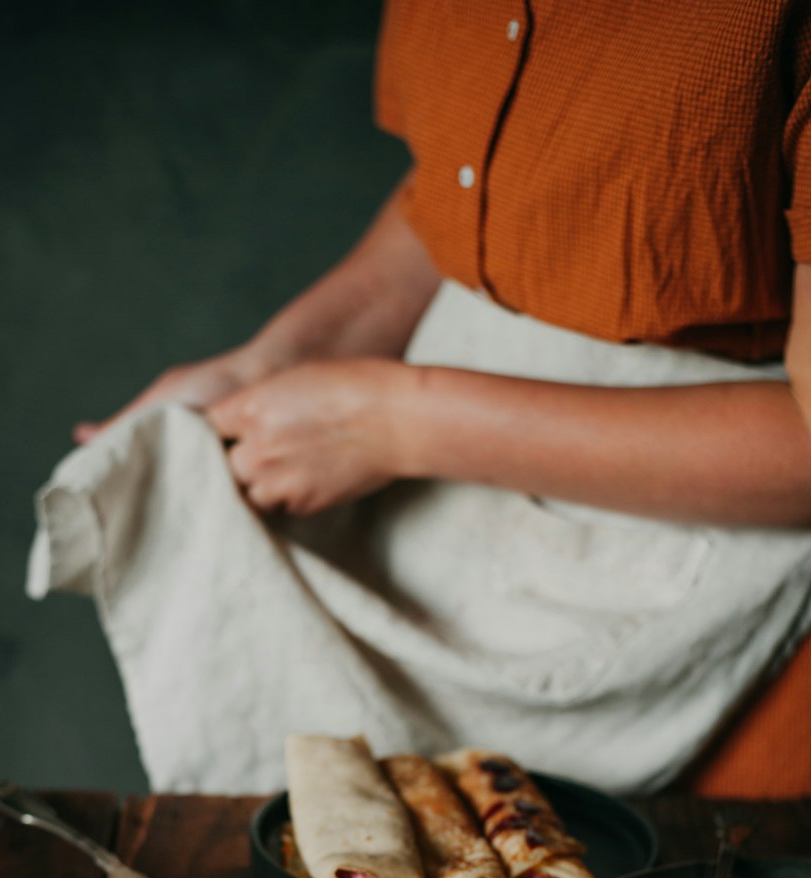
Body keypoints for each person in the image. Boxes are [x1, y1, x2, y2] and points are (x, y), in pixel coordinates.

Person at [59, 0, 811, 797]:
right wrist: (268, 364)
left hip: (717, 568)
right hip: (437, 507)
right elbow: (466, 196)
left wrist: (394, 422)